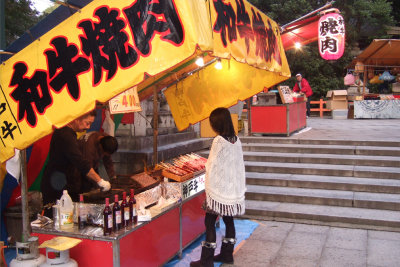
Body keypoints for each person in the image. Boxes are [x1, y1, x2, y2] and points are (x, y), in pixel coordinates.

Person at [190, 107, 246, 267]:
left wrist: (210, 185)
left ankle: (206, 261)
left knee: (209, 222)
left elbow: (212, 166)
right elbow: (238, 166)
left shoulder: (219, 141)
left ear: (218, 124)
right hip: (231, 189)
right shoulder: (236, 140)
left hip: (218, 191)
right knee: (229, 220)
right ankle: (227, 255)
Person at [41, 110, 111, 208]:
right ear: (77, 119)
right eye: (87, 123)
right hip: (55, 184)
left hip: (61, 181)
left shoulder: (69, 132)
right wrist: (100, 181)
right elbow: (80, 162)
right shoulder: (65, 135)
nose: (88, 127)